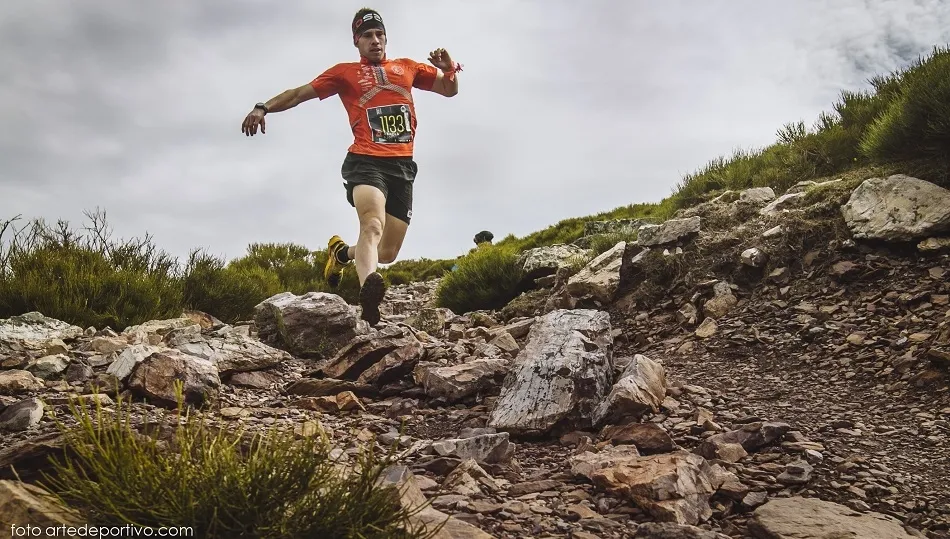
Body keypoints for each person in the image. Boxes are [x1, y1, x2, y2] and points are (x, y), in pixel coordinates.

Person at [240, 8, 461, 326]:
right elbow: (298, 94)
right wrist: (263, 107)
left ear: (386, 38)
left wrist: (449, 69)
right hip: (365, 162)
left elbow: (448, 90)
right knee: (372, 225)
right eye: (368, 36)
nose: (375, 40)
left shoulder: (408, 68)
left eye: (379, 34)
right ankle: (370, 302)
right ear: (356, 41)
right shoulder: (344, 73)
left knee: (387, 253)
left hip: (402, 167)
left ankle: (341, 254)